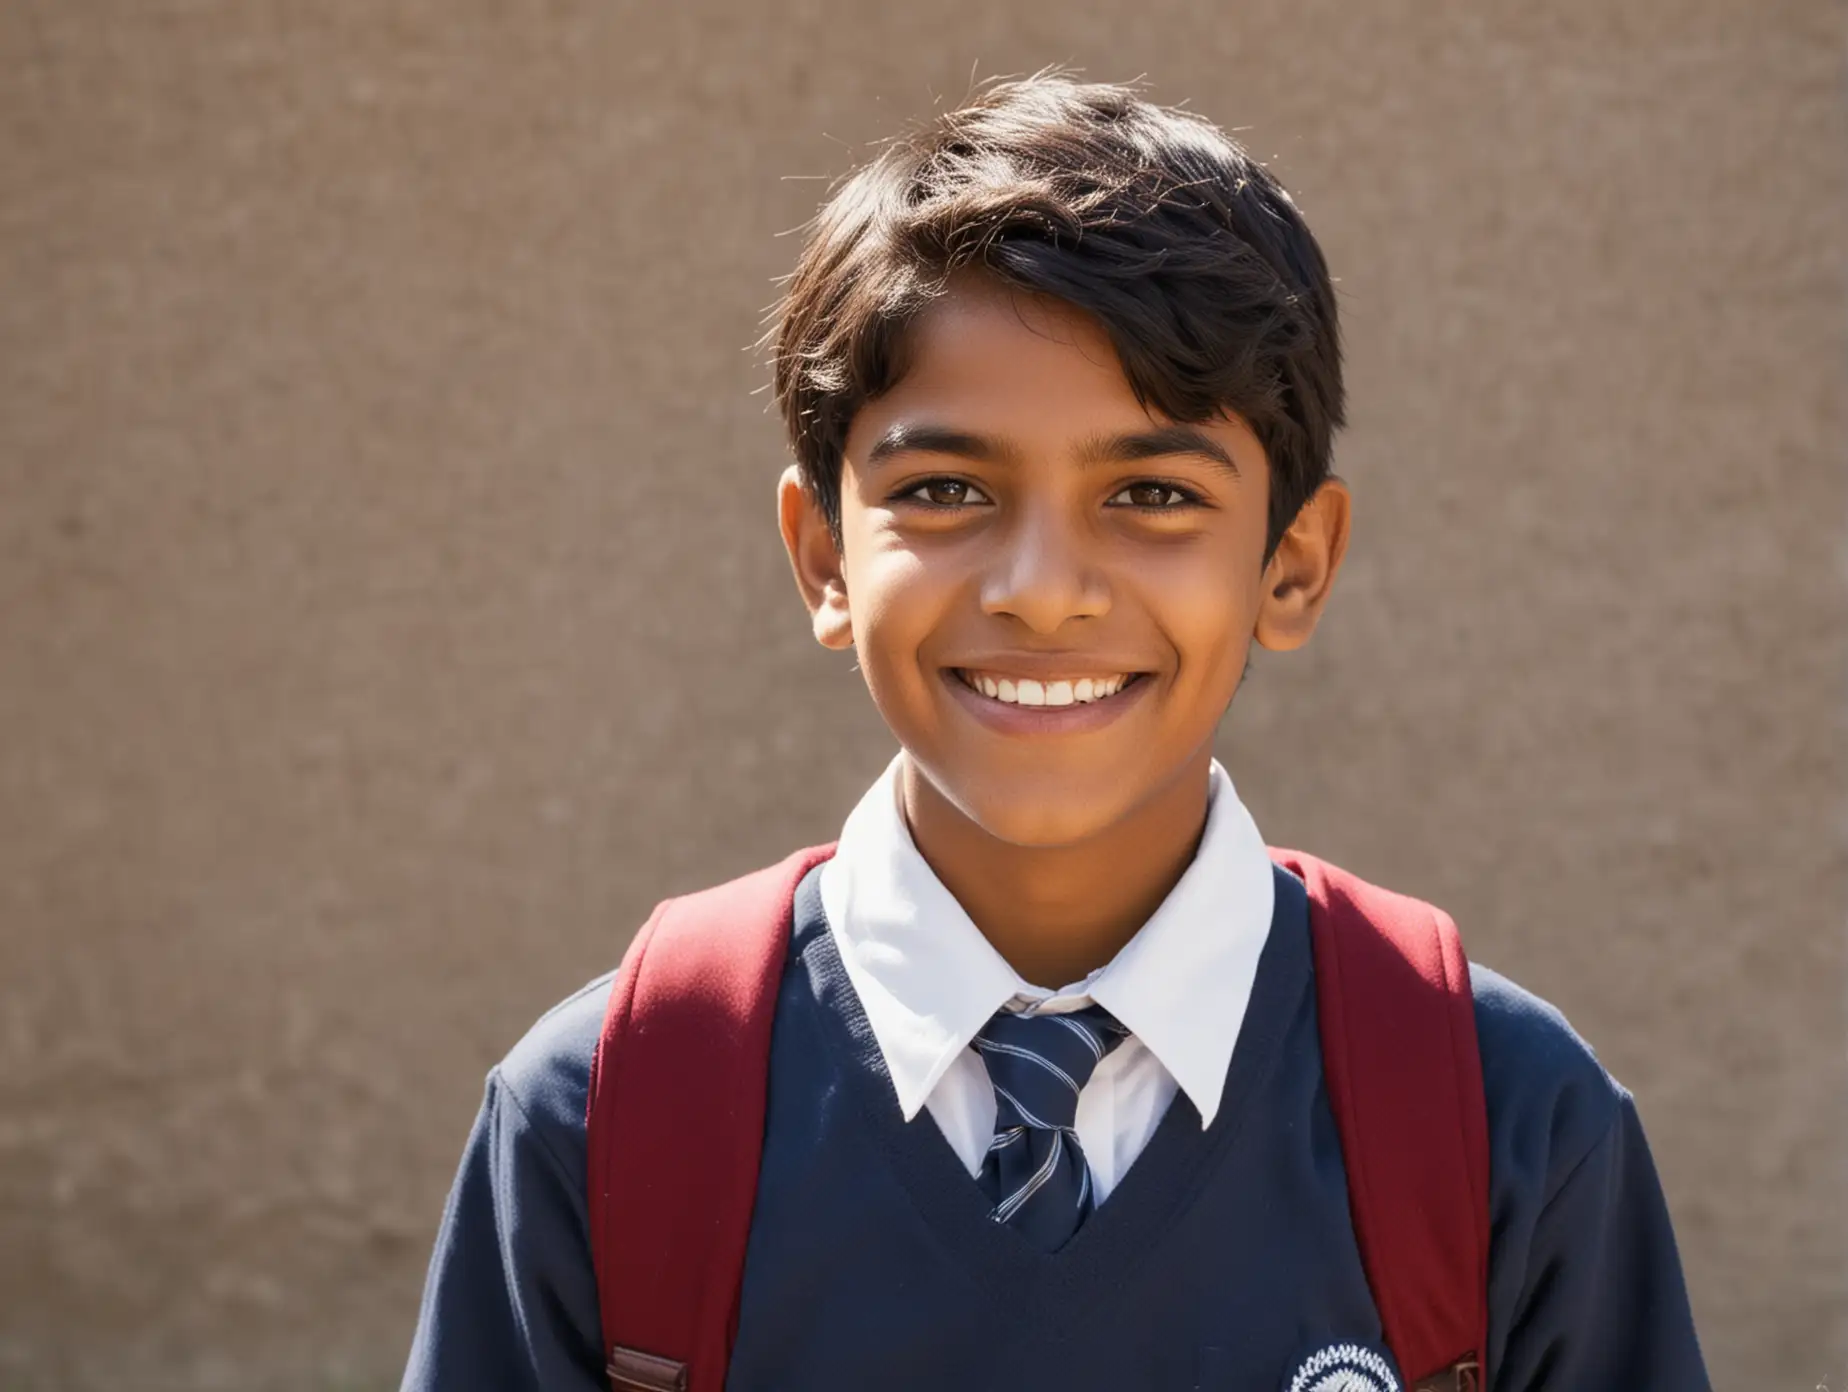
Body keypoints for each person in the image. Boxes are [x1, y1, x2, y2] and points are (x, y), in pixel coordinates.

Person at [401, 75, 1709, 1390]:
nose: (1041, 585)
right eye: (946, 488)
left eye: (1150, 492)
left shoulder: (1500, 1124)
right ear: (822, 562)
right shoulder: (609, 1116)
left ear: (1293, 566)